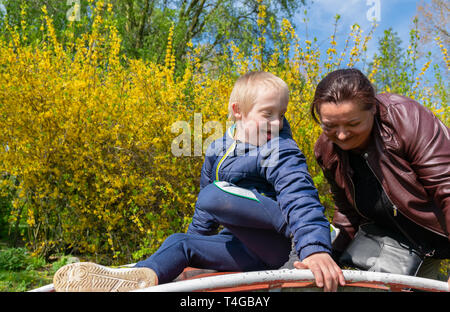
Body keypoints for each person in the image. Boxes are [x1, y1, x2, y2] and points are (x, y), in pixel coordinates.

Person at [53, 71, 345, 292]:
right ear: (237, 111)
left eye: (281, 115)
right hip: (243, 250)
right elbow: (206, 214)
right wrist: (195, 252)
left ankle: (309, 244)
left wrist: (313, 248)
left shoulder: (280, 148)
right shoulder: (217, 149)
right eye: (267, 114)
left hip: (282, 245)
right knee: (180, 242)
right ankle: (140, 279)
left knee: (213, 195)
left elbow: (300, 195)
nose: (276, 123)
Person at [311, 68, 449, 281]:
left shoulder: (407, 118)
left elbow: (446, 188)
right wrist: (326, 257)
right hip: (386, 245)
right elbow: (346, 213)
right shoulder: (326, 150)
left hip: (431, 237)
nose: (341, 135)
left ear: (373, 108)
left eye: (353, 123)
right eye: (329, 126)